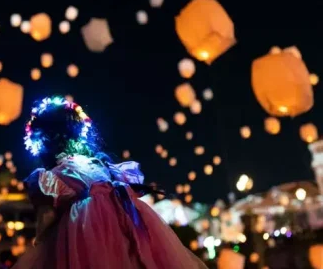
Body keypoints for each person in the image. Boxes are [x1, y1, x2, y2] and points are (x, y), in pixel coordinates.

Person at [12, 96, 208, 269]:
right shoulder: (101, 166)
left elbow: (46, 220)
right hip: (127, 234)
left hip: (85, 242)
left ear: (43, 143)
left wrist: (42, 246)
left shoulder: (52, 177)